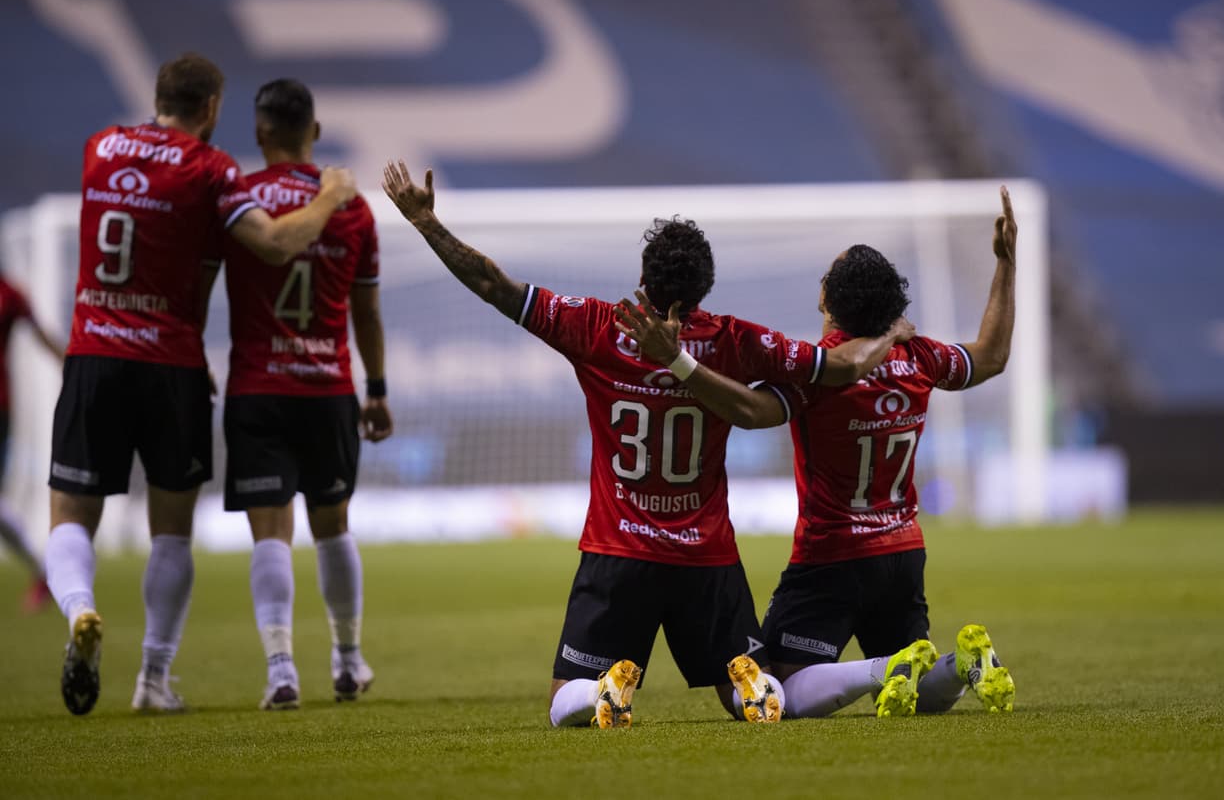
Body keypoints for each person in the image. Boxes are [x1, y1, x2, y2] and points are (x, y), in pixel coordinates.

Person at [382, 160, 909, 728]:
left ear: (643, 278)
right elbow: (838, 367)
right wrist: (888, 332)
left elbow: (492, 283)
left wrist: (425, 222)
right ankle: (768, 686)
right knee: (745, 687)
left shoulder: (596, 326)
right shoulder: (738, 341)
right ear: (705, 287)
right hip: (706, 558)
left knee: (565, 700)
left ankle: (601, 693)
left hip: (619, 554)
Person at [616, 185, 1020, 719]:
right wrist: (1004, 265)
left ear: (829, 300)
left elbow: (751, 412)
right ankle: (967, 663)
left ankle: (882, 671)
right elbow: (990, 357)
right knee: (915, 679)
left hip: (831, 557)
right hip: (902, 553)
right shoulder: (918, 356)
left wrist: (681, 365)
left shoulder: (817, 374)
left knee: (774, 688)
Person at [46, 52, 357, 717]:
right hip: (171, 366)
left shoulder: (99, 147)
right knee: (171, 533)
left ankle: (80, 608)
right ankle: (152, 677)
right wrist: (330, 195)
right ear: (211, 108)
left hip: (94, 352)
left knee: (71, 513)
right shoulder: (212, 171)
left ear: (159, 96)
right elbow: (273, 243)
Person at [219, 79, 392, 710]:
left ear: (261, 131)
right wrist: (376, 390)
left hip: (257, 387)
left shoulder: (238, 198)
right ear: (314, 133)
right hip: (328, 389)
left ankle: (281, 671)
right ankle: (347, 659)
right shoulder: (350, 206)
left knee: (270, 534)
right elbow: (366, 312)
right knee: (332, 526)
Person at [0, 275, 64, 612]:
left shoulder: (9, 293)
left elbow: (39, 332)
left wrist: (70, 363)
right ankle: (43, 572)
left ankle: (43, 572)